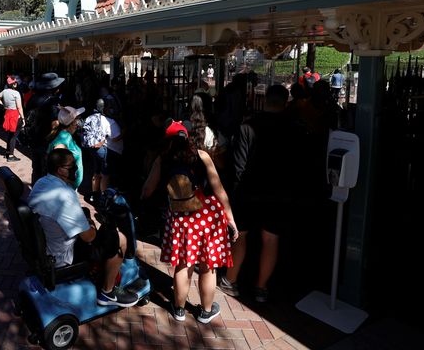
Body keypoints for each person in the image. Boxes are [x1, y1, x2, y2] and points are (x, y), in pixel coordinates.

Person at [141, 120, 238, 323]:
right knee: (207, 266)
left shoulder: (163, 158)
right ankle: (206, 311)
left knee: (182, 265)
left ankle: (179, 310)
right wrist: (230, 219)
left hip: (181, 219)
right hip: (208, 217)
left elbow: (147, 190)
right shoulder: (201, 156)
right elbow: (219, 190)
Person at [28, 148, 138, 307]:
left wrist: (85, 217)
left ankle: (101, 273)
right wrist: (91, 223)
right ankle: (107, 293)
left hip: (46, 243)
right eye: (72, 167)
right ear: (60, 170)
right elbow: (89, 237)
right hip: (62, 256)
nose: (76, 169)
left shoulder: (41, 182)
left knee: (85, 212)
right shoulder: (65, 195)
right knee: (120, 239)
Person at [221, 85, 301, 303]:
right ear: (286, 102)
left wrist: (234, 195)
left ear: (265, 99)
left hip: (248, 192)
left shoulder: (248, 127)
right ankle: (261, 287)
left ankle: (231, 281)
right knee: (271, 239)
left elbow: (238, 167)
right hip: (278, 193)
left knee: (240, 235)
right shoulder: (293, 128)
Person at [25, 73, 64, 185]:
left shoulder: (33, 98)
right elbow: (55, 124)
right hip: (47, 142)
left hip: (34, 139)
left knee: (36, 169)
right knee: (48, 171)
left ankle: (35, 193)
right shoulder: (53, 101)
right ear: (54, 88)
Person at [48, 106, 86, 190]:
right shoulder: (63, 139)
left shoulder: (65, 135)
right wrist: (69, 184)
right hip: (65, 188)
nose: (79, 121)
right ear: (72, 122)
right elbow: (58, 167)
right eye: (78, 118)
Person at [82, 99, 110, 203]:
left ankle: (94, 195)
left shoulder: (89, 117)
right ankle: (103, 197)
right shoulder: (105, 119)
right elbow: (111, 134)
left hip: (90, 149)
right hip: (100, 149)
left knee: (96, 172)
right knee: (105, 174)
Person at [0, 75, 24, 162]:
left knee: (10, 135)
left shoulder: (4, 91)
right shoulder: (16, 93)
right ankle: (11, 155)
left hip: (8, 113)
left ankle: (8, 152)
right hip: (15, 115)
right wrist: (23, 118)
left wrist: (3, 104)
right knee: (14, 136)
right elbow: (19, 107)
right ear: (14, 84)